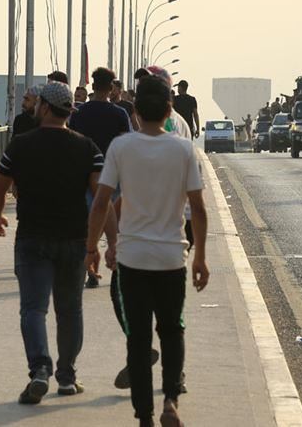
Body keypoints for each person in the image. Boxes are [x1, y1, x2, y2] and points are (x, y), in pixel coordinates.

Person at [85, 75, 208, 427]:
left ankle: (144, 418)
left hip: (132, 259)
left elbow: (102, 203)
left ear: (135, 110)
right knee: (173, 329)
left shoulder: (121, 148)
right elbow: (197, 209)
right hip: (172, 258)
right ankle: (170, 400)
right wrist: (200, 257)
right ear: (169, 109)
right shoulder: (184, 150)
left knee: (138, 339)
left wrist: (92, 248)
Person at [0, 81, 117, 404]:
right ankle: (67, 377)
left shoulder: (19, 145)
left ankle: (39, 370)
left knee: (33, 308)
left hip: (32, 238)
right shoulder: (87, 148)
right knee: (70, 310)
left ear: (44, 107)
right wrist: (105, 243)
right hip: (74, 240)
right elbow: (103, 199)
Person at [69, 67, 132, 288]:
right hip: (112, 175)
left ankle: (91, 271)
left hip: (85, 175)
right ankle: (119, 267)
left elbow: (73, 143)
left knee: (90, 224)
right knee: (116, 224)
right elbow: (126, 145)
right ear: (111, 88)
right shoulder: (119, 114)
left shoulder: (79, 113)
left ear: (93, 87)